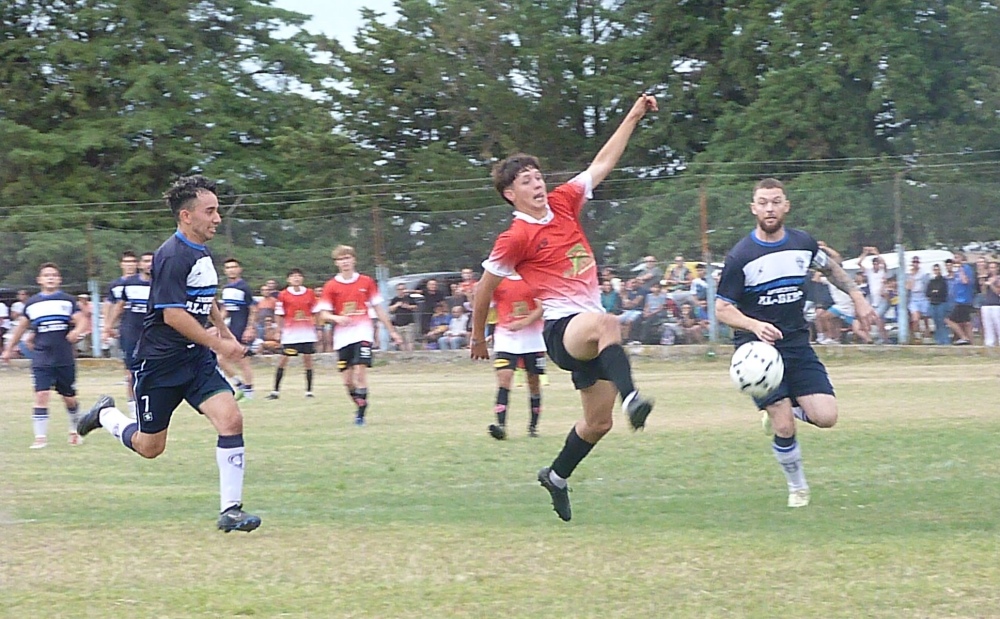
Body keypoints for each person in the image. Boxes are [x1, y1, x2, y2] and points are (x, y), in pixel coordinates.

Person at [471, 93, 658, 522]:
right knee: (607, 322)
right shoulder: (514, 237)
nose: (536, 183)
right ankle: (633, 398)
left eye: (537, 176)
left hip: (587, 331)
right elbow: (484, 290)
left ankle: (555, 476)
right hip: (562, 330)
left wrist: (632, 114)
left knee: (597, 424)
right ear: (509, 194)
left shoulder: (562, 201)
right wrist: (478, 334)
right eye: (525, 181)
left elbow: (602, 163)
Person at [75, 176, 260, 531]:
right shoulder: (171, 255)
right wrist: (220, 344)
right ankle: (107, 416)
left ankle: (231, 510)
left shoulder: (202, 252)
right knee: (150, 447)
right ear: (186, 216)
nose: (217, 218)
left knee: (231, 420)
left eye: (217, 210)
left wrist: (222, 330)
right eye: (211, 211)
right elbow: (172, 314)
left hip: (195, 361)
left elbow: (205, 297)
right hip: (160, 365)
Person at [715, 178, 876, 509]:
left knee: (827, 417)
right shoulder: (740, 256)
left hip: (797, 344)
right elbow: (722, 309)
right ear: (753, 208)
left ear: (786, 206)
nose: (769, 208)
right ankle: (798, 487)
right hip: (757, 349)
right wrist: (755, 325)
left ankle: (781, 411)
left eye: (776, 201)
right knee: (784, 425)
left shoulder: (803, 243)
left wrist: (858, 297)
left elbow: (830, 269)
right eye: (763, 202)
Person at [2, 263, 89, 448]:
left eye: (54, 275)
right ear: (39, 280)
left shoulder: (67, 301)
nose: (50, 278)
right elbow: (21, 327)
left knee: (69, 397)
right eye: (46, 275)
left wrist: (77, 332)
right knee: (41, 394)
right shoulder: (32, 304)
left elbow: (82, 320)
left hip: (64, 356)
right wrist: (9, 348)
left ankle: (75, 430)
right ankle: (40, 438)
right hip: (42, 357)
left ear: (59, 279)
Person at [316, 245, 402, 426]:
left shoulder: (366, 282)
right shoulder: (331, 286)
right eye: (341, 259)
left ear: (354, 260)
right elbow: (323, 314)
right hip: (342, 338)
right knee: (347, 382)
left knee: (360, 373)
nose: (345, 261)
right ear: (336, 263)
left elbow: (379, 309)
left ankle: (360, 416)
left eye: (348, 258)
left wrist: (392, 331)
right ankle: (361, 403)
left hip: (363, 333)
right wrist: (337, 318)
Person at [487, 274, 546, 440]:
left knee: (533, 383)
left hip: (533, 340)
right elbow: (487, 305)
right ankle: (501, 426)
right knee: (504, 380)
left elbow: (542, 307)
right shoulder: (497, 280)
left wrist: (523, 323)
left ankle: (533, 427)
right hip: (506, 338)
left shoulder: (533, 277)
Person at [105, 251, 153, 414]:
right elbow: (119, 305)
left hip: (154, 334)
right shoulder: (129, 283)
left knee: (153, 372)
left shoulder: (161, 283)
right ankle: (134, 411)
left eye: (152, 261)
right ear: (140, 265)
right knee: (131, 373)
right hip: (131, 332)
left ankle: (151, 406)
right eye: (146, 261)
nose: (149, 264)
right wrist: (108, 326)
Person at [267, 268, 319, 399]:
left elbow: (316, 311)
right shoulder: (283, 295)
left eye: (299, 276)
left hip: (307, 333)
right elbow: (279, 314)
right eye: (293, 276)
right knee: (283, 360)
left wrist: (317, 328)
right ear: (288, 279)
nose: (296, 278)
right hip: (291, 334)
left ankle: (309, 391)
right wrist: (279, 330)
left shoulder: (309, 293)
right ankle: (275, 391)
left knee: (308, 360)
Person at [218, 258, 257, 399]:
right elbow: (225, 309)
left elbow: (253, 309)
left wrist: (250, 328)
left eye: (234, 267)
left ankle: (248, 392)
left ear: (239, 269)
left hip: (242, 327)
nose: (231, 270)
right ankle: (239, 385)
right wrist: (218, 325)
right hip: (231, 328)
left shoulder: (243, 287)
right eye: (228, 267)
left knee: (242, 360)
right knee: (221, 359)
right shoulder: (226, 288)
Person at [101, 250, 138, 357]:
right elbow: (109, 305)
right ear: (121, 264)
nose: (130, 265)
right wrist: (107, 327)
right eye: (126, 262)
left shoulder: (145, 282)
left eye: (132, 262)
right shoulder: (115, 285)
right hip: (122, 325)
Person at [945, 251, 976, 345]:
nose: (955, 260)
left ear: (962, 259)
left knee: (949, 320)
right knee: (966, 323)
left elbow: (966, 281)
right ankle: (972, 343)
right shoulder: (957, 270)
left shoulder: (966, 268)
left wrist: (961, 269)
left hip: (964, 300)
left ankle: (963, 337)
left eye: (957, 257)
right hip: (958, 299)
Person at [906, 256, 931, 343]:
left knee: (925, 317)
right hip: (914, 297)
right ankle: (917, 336)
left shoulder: (923, 274)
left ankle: (927, 335)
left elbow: (927, 285)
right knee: (915, 318)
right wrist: (912, 276)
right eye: (914, 262)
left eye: (916, 262)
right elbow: (908, 287)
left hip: (923, 296)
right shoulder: (909, 275)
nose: (915, 264)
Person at [388, 283, 419, 351]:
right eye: (399, 289)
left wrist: (407, 307)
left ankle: (411, 354)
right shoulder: (395, 299)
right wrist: (397, 305)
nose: (401, 291)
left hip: (409, 324)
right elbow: (390, 309)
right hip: (398, 325)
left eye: (403, 289)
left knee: (410, 341)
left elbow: (415, 307)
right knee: (401, 342)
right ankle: (404, 356)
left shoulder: (409, 298)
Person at [926, 263, 950, 345]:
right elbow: (928, 292)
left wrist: (935, 292)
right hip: (933, 303)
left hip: (941, 303)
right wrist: (934, 292)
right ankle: (939, 340)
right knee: (936, 323)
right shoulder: (932, 281)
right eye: (935, 270)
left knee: (942, 322)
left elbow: (943, 292)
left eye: (937, 269)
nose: (936, 271)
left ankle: (945, 341)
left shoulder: (943, 281)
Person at [981, 261, 1000, 347]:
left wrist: (992, 284)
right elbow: (983, 292)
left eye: (993, 267)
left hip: (996, 304)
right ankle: (989, 343)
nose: (992, 269)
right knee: (987, 325)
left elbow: (998, 292)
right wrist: (984, 283)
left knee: (998, 324)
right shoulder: (987, 278)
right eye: (990, 268)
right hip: (986, 304)